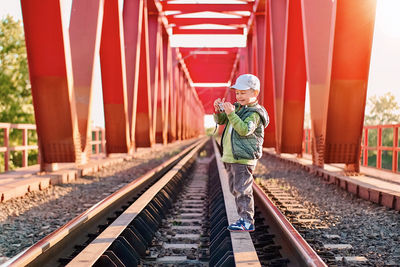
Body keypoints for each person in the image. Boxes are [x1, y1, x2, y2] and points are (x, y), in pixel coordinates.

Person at [213, 74, 269, 232]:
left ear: (255, 93)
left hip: (243, 158)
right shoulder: (238, 108)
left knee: (243, 190)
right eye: (237, 93)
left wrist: (231, 114)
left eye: (243, 92)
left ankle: (246, 221)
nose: (239, 96)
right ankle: (243, 218)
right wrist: (219, 111)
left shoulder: (255, 114)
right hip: (232, 157)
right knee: (235, 188)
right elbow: (221, 121)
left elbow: (245, 130)